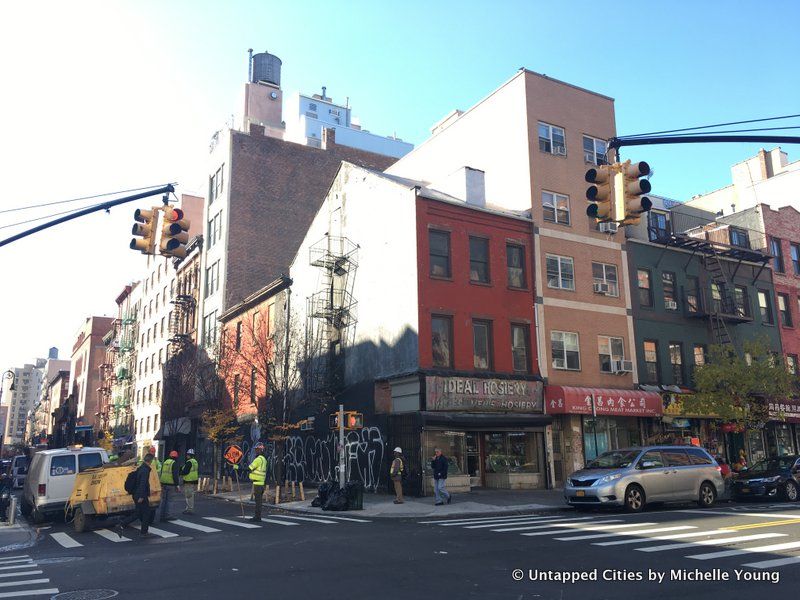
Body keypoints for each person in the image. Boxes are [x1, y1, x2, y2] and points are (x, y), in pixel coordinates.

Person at [117, 453, 155, 538]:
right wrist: (142, 496)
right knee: (146, 513)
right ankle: (143, 532)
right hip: (141, 495)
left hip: (136, 494)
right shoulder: (145, 470)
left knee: (138, 513)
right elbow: (142, 483)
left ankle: (122, 523)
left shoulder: (141, 468)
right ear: (150, 461)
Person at [247, 443, 268, 522]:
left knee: (257, 502)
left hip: (257, 484)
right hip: (261, 483)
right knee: (259, 501)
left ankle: (257, 517)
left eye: (257, 450)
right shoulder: (264, 459)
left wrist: (237, 467)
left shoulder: (258, 459)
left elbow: (250, 467)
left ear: (260, 450)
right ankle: (258, 516)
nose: (256, 451)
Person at [159, 450, 181, 522]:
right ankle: (168, 515)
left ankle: (162, 515)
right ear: (175, 457)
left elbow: (162, 472)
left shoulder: (165, 462)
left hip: (163, 483)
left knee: (164, 500)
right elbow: (175, 475)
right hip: (170, 484)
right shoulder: (174, 463)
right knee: (170, 501)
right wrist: (177, 485)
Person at [181, 449, 199, 515]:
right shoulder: (195, 462)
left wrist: (180, 472)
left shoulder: (189, 462)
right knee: (191, 495)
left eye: (187, 455)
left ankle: (189, 509)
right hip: (193, 480)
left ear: (189, 455)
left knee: (188, 496)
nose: (186, 456)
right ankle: (189, 508)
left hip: (188, 480)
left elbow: (185, 471)